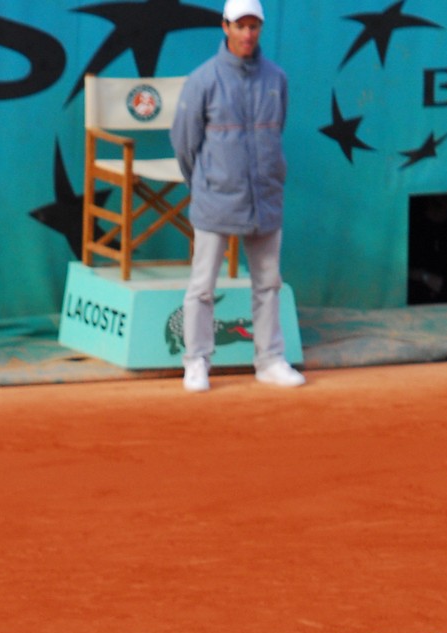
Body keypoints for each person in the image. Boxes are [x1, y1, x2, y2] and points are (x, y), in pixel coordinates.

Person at [171, 0, 304, 392]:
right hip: (215, 200)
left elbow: (276, 129)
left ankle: (270, 360)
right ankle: (196, 361)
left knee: (268, 283)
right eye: (240, 26)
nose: (248, 34)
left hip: (265, 198)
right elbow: (184, 143)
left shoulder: (276, 78)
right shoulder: (202, 80)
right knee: (202, 287)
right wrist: (204, 185)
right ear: (225, 26)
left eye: (254, 26)